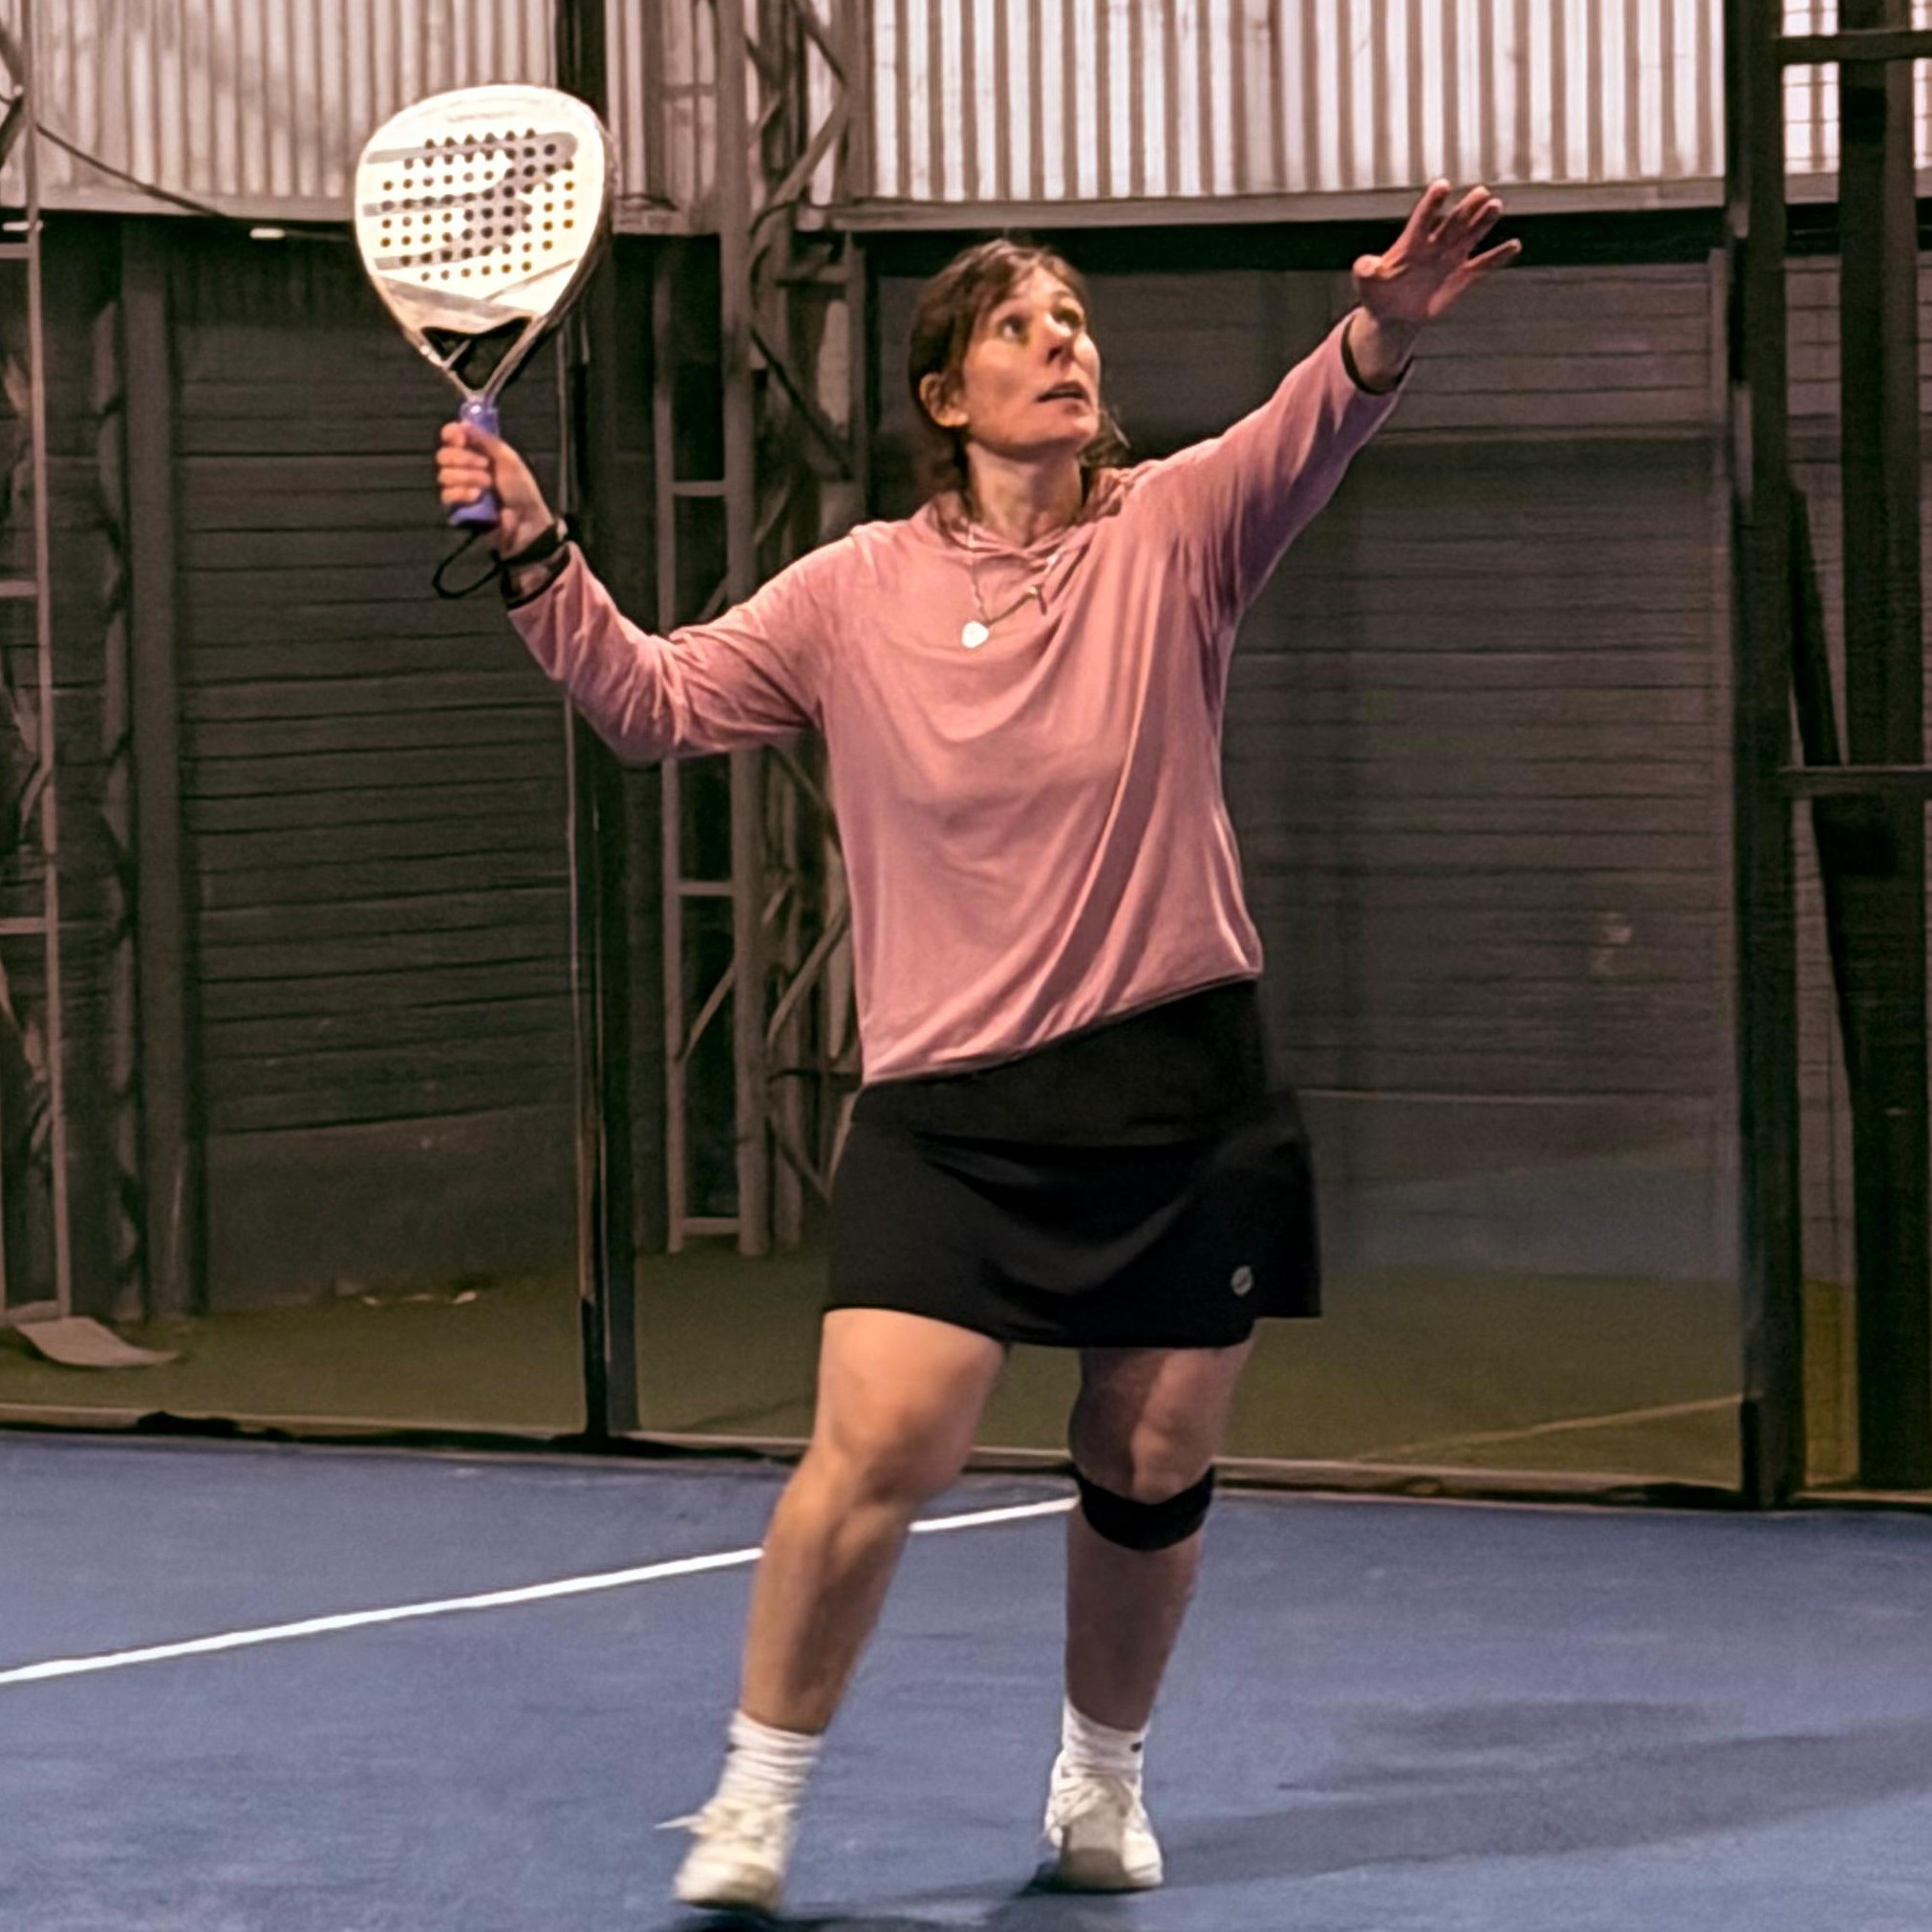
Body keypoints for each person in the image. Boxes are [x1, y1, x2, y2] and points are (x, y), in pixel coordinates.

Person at [436, 179, 1518, 1916]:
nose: (1060, 344)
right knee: (882, 1440)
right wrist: (533, 546)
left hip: (1182, 1093)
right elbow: (651, 701)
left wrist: (1381, 327)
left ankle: (1102, 1777)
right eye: (1018, 327)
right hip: (949, 1112)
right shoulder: (851, 593)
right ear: (945, 394)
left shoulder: (1179, 528)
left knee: (1147, 1466)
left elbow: (1313, 421)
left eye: (1072, 321)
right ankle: (753, 1799)